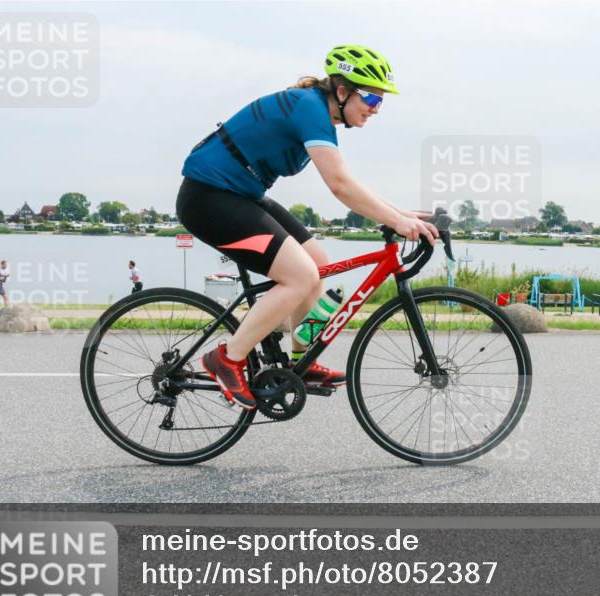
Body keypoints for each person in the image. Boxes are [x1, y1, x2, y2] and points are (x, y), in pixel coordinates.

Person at [176, 45, 438, 410]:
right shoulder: (309, 108)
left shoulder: (318, 112)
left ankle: (302, 358)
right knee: (299, 276)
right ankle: (227, 359)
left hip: (239, 194)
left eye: (381, 102)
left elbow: (348, 181)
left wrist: (406, 215)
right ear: (343, 90)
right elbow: (340, 186)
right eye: (372, 98)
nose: (376, 109)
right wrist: (396, 221)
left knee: (316, 261)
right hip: (209, 197)